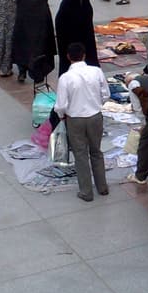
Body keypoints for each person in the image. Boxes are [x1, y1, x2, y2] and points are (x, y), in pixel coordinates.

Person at [54, 42, 110, 202]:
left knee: (80, 154)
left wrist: (61, 116)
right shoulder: (96, 71)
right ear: (84, 55)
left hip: (75, 119)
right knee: (96, 152)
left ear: (68, 57)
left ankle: (86, 191)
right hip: (95, 116)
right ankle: (102, 187)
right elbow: (106, 94)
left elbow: (61, 105)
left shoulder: (65, 78)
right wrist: (97, 104)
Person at [11, 0, 57, 84]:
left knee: (22, 52)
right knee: (36, 54)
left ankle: (22, 72)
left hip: (22, 31)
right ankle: (37, 74)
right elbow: (47, 16)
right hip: (38, 33)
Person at [55, 0, 98, 75]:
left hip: (84, 37)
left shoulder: (86, 3)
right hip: (70, 38)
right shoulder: (67, 4)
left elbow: (88, 16)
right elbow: (60, 21)